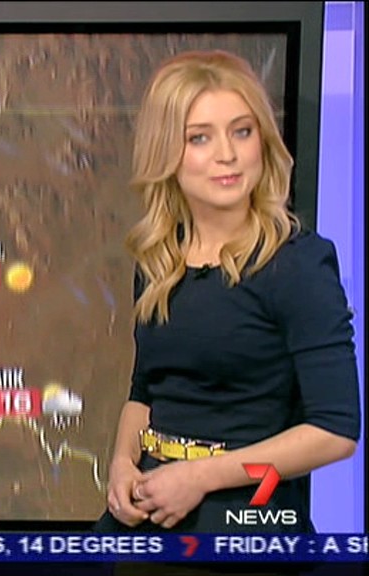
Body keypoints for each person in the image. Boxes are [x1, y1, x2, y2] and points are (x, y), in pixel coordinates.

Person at [94, 50, 360, 533]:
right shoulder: (160, 260)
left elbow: (335, 430)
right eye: (200, 137)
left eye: (242, 131)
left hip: (246, 518)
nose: (227, 154)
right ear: (166, 152)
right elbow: (145, 390)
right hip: (151, 507)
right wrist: (121, 464)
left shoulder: (297, 264)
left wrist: (199, 477)